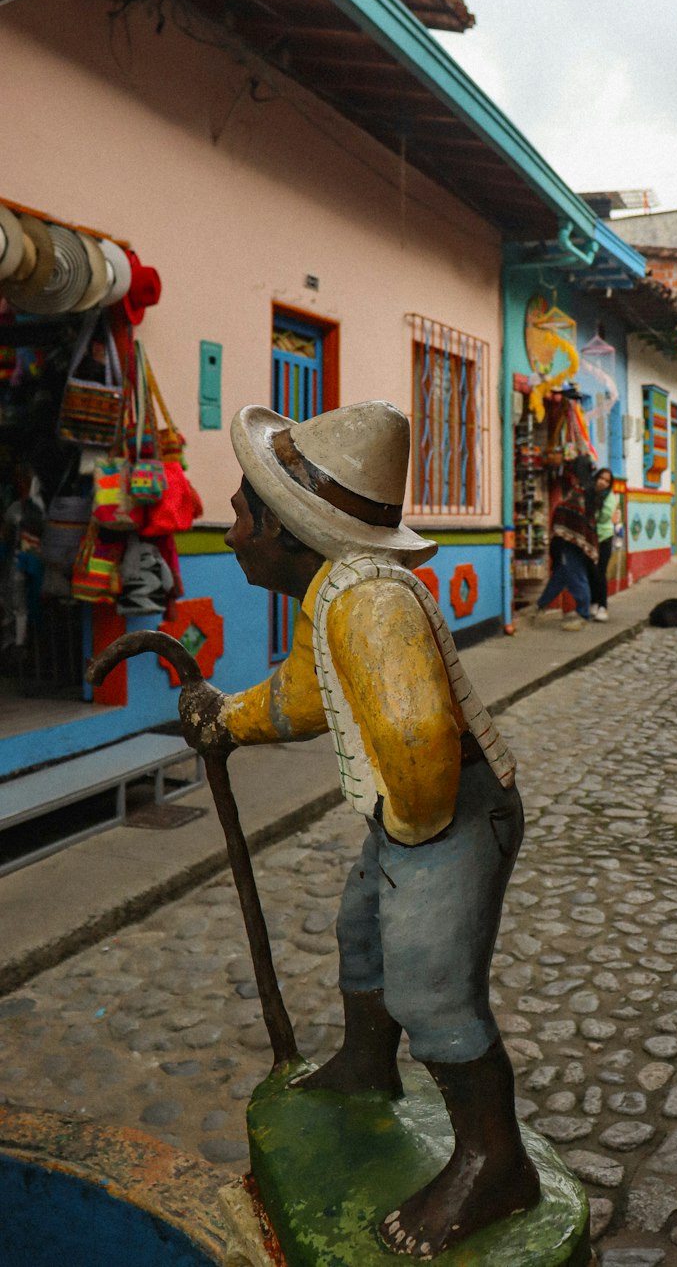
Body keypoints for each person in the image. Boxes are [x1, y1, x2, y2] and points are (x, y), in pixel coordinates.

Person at [177, 401, 539, 1258]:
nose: (230, 534)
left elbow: (417, 741)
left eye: (239, 515)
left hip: (446, 812)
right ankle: (369, 1067)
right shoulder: (334, 594)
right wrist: (229, 718)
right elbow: (305, 696)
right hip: (411, 815)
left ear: (287, 531)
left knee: (432, 989)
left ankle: (496, 1160)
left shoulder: (369, 608)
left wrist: (412, 843)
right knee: (362, 936)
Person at [528, 470, 598, 631]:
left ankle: (583, 614)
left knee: (576, 576)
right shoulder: (586, 494)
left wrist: (563, 531)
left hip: (570, 543)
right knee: (560, 576)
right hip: (573, 542)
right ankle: (541, 605)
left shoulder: (579, 493)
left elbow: (569, 514)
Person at [588, 467, 619, 621]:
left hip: (604, 537)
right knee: (591, 571)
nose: (603, 482)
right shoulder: (589, 492)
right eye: (601, 478)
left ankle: (603, 607)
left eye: (607, 481)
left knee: (600, 572)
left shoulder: (610, 497)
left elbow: (603, 517)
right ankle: (593, 603)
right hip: (590, 537)